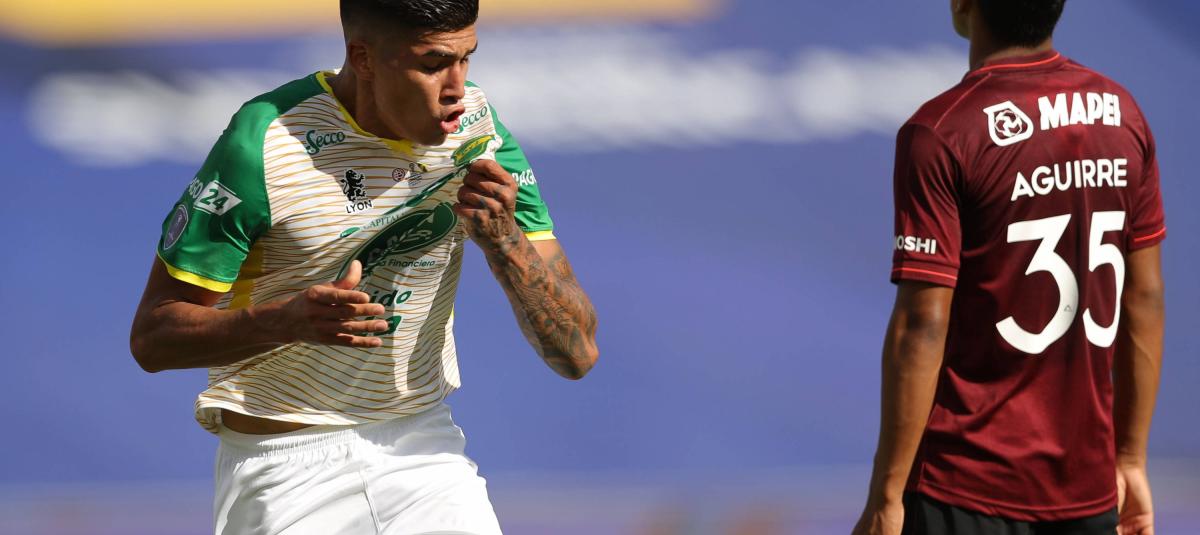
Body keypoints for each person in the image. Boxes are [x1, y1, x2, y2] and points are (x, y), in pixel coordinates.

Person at [128, 0, 600, 533]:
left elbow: (577, 354)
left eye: (466, 58)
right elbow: (154, 338)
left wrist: (506, 242)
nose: (456, 88)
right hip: (283, 467)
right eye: (432, 64)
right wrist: (285, 322)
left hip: (424, 452)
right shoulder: (265, 140)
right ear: (364, 57)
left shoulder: (479, 130)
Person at [852, 1, 1164, 534]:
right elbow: (1145, 298)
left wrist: (886, 495)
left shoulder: (941, 131)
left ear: (964, 4)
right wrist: (1130, 459)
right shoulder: (1122, 112)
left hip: (966, 489)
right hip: (1088, 492)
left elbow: (922, 325)